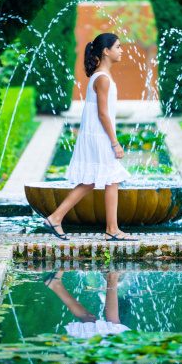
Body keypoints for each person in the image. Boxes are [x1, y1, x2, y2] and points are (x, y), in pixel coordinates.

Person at [44, 33, 137, 242]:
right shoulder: (102, 78)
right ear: (106, 51)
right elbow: (103, 114)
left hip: (95, 134)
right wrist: (115, 143)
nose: (121, 50)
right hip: (99, 136)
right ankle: (111, 230)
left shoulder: (100, 75)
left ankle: (56, 218)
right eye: (118, 47)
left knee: (94, 181)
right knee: (109, 179)